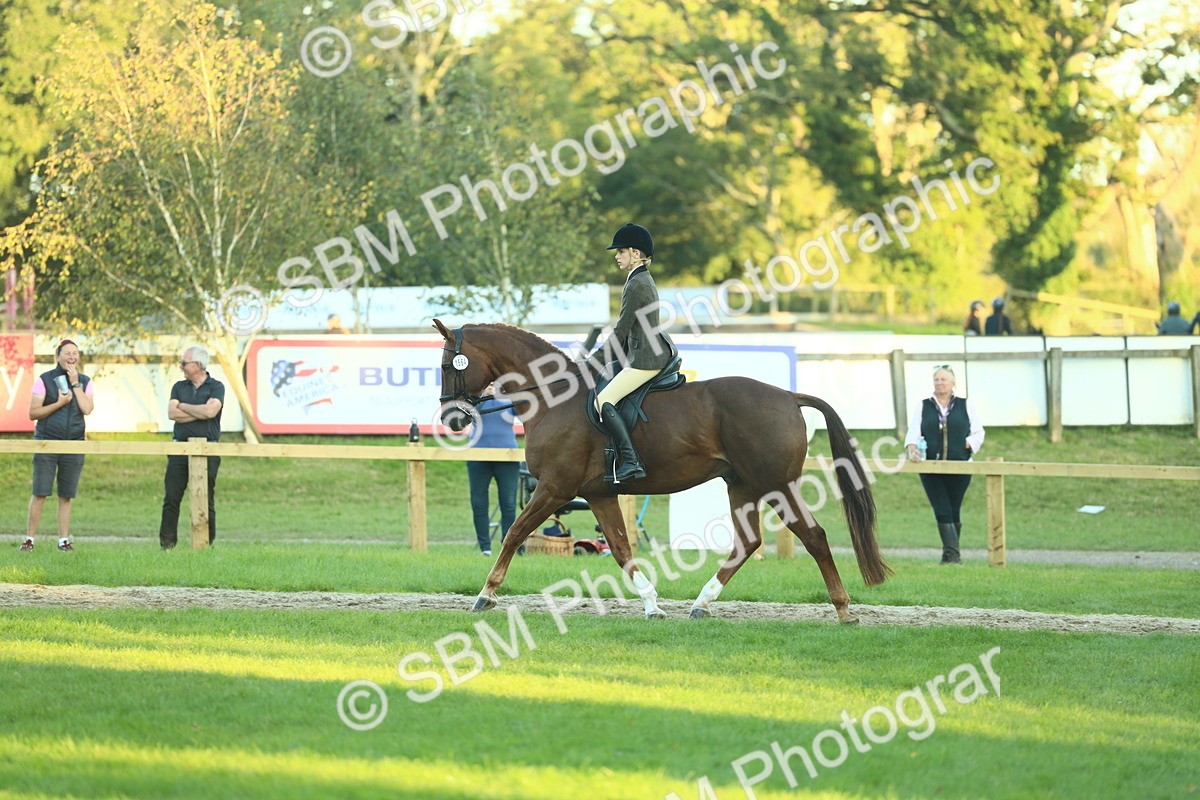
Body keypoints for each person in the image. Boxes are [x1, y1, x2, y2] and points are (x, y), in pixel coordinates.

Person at [585, 223, 678, 483]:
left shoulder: (637, 283)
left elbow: (621, 331)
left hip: (646, 358)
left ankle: (631, 460)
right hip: (642, 351)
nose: (616, 256)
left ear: (636, 253)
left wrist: (592, 362)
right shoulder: (638, 278)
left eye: (621, 251)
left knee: (603, 401)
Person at [904, 366, 985, 565]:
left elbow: (978, 432)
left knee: (954, 510)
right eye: (937, 379)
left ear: (953, 383)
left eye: (944, 379)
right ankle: (954, 557)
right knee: (942, 509)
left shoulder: (965, 404)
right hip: (931, 467)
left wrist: (967, 444)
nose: (940, 383)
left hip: (960, 466)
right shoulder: (924, 406)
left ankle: (948, 556)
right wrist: (912, 449)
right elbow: (913, 433)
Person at [21, 339, 95, 552]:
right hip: (47, 442)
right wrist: (59, 403)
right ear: (58, 356)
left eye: (75, 353)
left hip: (74, 444)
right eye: (67, 353)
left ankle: (63, 541)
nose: (72, 357)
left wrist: (76, 384)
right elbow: (33, 413)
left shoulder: (85, 381)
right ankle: (29, 539)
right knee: (40, 492)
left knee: (66, 494)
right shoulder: (44, 380)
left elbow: (87, 408)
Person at [159, 346, 224, 549]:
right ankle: (167, 545)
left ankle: (207, 543)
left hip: (208, 450)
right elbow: (172, 413)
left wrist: (184, 406)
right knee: (172, 497)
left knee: (206, 498)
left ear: (198, 365)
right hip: (180, 449)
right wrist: (201, 411)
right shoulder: (178, 387)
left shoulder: (216, 386)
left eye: (184, 363)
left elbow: (211, 413)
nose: (181, 366)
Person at [467, 382, 518, 556]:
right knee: (479, 503)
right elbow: (470, 415)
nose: (492, 386)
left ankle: (507, 546)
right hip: (478, 456)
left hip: (508, 457)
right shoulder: (475, 399)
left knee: (509, 503)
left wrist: (510, 394)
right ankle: (485, 548)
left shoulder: (508, 398)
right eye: (489, 383)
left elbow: (521, 413)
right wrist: (483, 396)